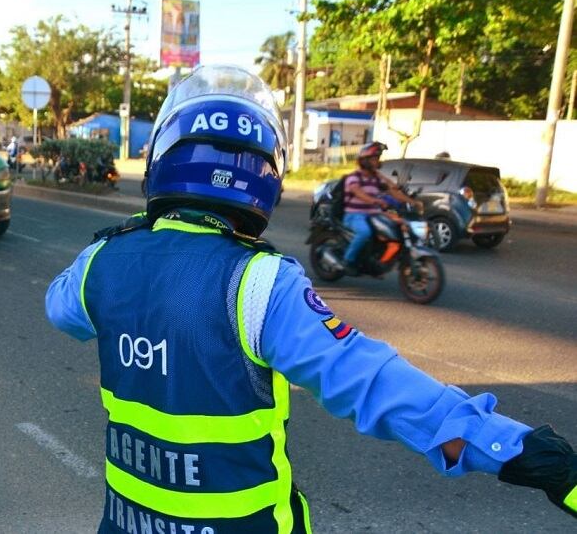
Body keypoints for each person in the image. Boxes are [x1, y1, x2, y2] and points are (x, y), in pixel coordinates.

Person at [45, 65, 577, 533]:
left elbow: (60, 309)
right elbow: (372, 383)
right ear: (265, 176)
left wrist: (138, 231)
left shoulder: (102, 263)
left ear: (164, 156)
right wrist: (517, 450)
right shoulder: (257, 283)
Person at [341, 141, 422, 275]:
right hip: (355, 214)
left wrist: (412, 202)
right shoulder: (354, 177)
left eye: (377, 158)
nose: (377, 161)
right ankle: (347, 260)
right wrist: (375, 200)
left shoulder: (376, 178)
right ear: (365, 160)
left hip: (374, 213)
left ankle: (379, 257)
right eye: (374, 159)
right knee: (364, 233)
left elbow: (392, 191)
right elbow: (358, 192)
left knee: (400, 224)